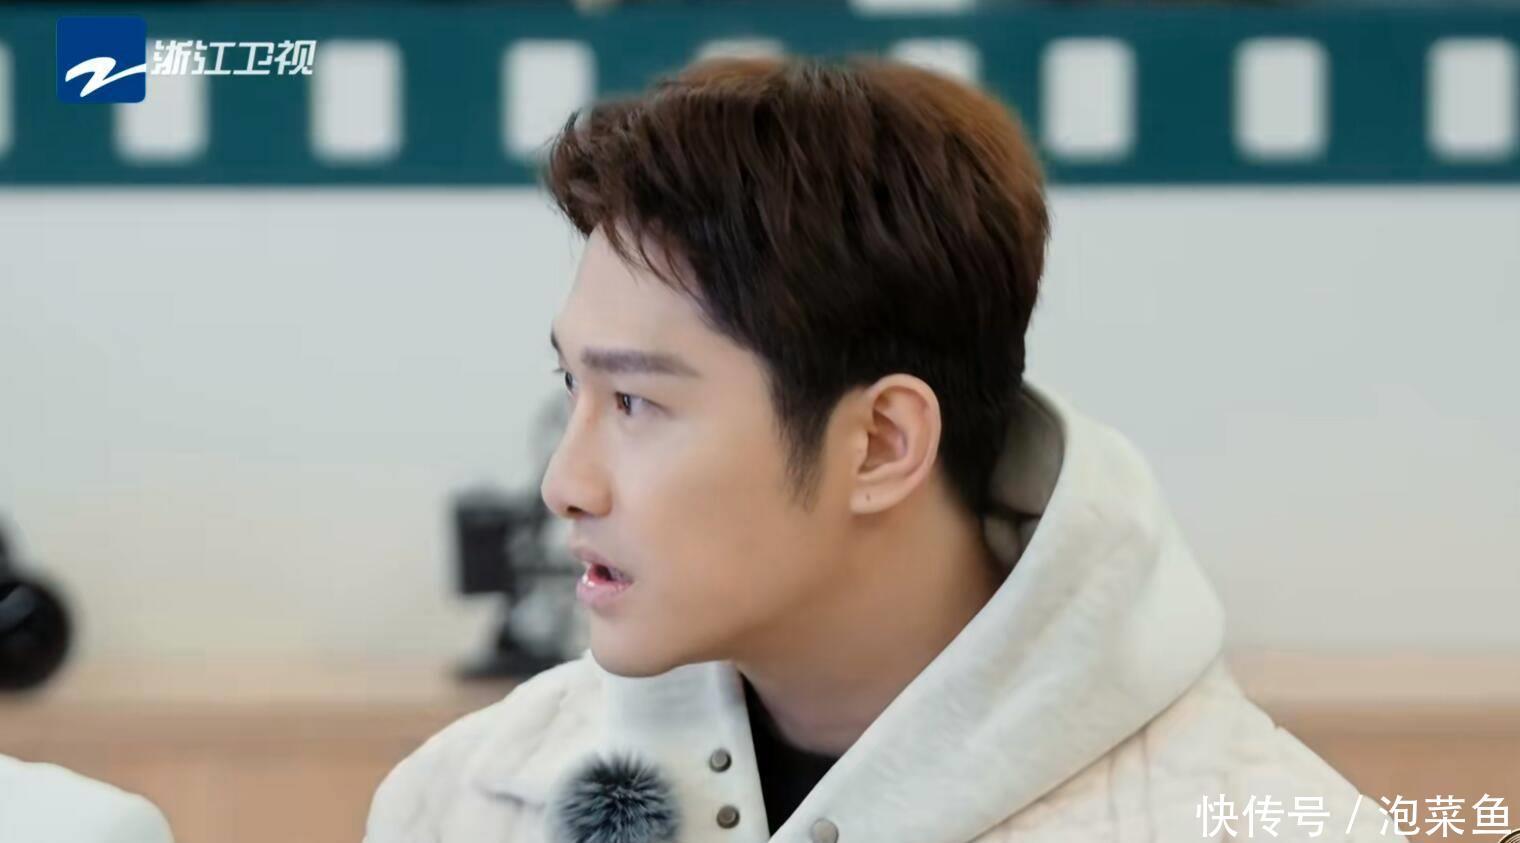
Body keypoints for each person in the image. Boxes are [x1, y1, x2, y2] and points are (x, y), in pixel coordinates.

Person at [365, 55, 1404, 843]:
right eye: (572, 387)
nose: (565, 483)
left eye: (636, 402)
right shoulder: (463, 804)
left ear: (880, 445)